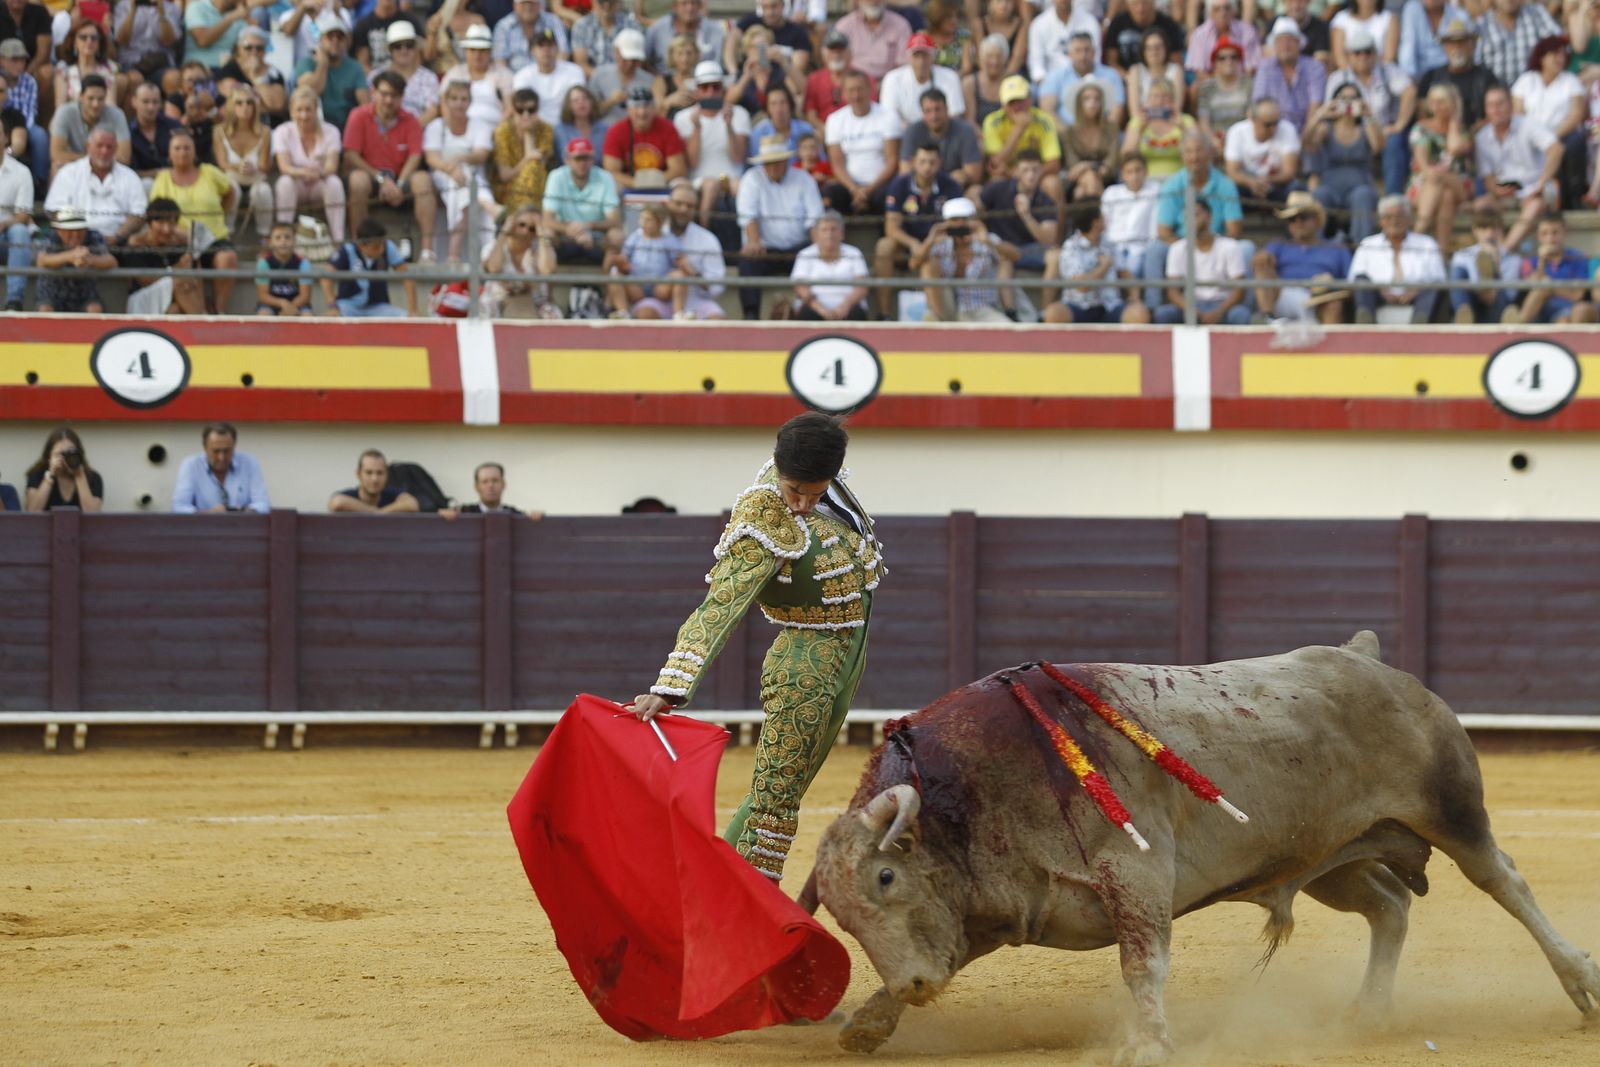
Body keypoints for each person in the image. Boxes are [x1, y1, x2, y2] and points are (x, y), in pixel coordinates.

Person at [628, 411, 884, 886]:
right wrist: (670, 686)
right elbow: (721, 603)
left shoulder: (828, 486)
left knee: (782, 793)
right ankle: (732, 905)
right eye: (795, 491)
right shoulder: (763, 517)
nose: (804, 505)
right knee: (774, 802)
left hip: (846, 656)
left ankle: (718, 893)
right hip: (803, 668)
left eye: (815, 492)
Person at [344, 69, 433, 244]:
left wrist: (398, 185)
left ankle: (427, 249)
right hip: (371, 176)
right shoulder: (358, 115)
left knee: (423, 180)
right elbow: (351, 154)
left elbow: (415, 155)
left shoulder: (410, 120)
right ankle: (358, 244)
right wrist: (380, 179)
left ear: (402, 97)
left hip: (400, 178)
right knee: (357, 180)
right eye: (384, 94)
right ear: (373, 93)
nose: (389, 100)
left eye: (395, 95)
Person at [736, 135, 820, 319]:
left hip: (799, 249)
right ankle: (751, 315)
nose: (773, 166)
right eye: (768, 162)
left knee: (817, 260)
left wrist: (817, 252)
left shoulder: (804, 179)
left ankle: (812, 312)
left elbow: (814, 219)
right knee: (748, 259)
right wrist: (754, 241)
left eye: (777, 162)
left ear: (786, 161)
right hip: (765, 249)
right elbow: (748, 215)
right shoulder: (752, 178)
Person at [1324, 24, 1414, 195]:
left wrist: (1399, 124)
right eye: (1357, 52)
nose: (1363, 57)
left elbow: (1409, 91)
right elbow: (1330, 111)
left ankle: (1392, 198)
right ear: (1349, 56)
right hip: (1352, 131)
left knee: (1394, 142)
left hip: (1383, 130)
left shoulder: (1387, 71)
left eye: (1367, 51)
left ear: (1376, 53)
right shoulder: (1338, 78)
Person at [874, 140, 960, 318]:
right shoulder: (899, 185)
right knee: (884, 246)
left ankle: (938, 317)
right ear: (913, 161)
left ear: (940, 163)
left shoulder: (950, 186)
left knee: (933, 258)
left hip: (938, 243)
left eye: (932, 162)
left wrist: (929, 244)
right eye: (922, 161)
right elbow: (891, 227)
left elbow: (957, 223)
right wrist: (913, 243)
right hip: (906, 245)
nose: (927, 167)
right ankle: (884, 313)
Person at [1474, 84, 1561, 252]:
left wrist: (1541, 184)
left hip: (1535, 189)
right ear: (1486, 109)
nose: (1496, 109)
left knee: (1535, 205)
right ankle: (1487, 249)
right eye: (1491, 105)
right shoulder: (1482, 137)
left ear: (1510, 105)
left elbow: (1556, 149)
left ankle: (1503, 252)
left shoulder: (1528, 124)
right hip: (1506, 193)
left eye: (1500, 104)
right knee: (1481, 205)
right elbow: (1488, 179)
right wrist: (1498, 191)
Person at [119, 194, 239, 314]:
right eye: (160, 223)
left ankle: (201, 316)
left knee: (175, 310)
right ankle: (204, 321)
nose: (166, 229)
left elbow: (196, 276)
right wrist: (175, 269)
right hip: (144, 298)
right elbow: (145, 280)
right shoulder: (136, 243)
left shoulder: (179, 244)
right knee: (180, 282)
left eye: (171, 223)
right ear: (150, 223)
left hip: (172, 299)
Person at [426, 79, 499, 263]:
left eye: (464, 99)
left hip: (471, 177)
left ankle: (454, 254)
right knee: (460, 185)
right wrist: (451, 169)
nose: (459, 103)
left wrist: (459, 160)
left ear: (470, 102)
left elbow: (481, 155)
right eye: (455, 98)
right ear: (447, 101)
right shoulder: (436, 126)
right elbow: (432, 158)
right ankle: (489, 206)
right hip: (442, 176)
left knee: (464, 192)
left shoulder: (479, 125)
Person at [1251, 191, 1351, 322]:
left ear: (1316, 220)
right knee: (1262, 263)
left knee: (1334, 303)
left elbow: (1351, 285)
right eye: (1292, 219)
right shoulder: (1278, 245)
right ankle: (1266, 318)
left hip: (1320, 300)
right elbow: (1258, 263)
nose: (1298, 223)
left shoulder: (1337, 249)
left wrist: (1330, 286)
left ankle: (1333, 341)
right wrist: (1263, 257)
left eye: (1303, 217)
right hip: (1282, 296)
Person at [1511, 35, 1586, 207]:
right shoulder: (1526, 81)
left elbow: (1576, 115)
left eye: (1562, 54)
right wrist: (1538, 138)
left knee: (1576, 142)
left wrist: (1549, 137)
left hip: (1560, 134)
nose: (1560, 58)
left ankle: (1574, 198)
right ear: (1542, 57)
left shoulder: (1570, 81)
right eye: (1555, 54)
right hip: (1530, 137)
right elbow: (1518, 113)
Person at [674, 60, 749, 229]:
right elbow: (692, 162)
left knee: (741, 186)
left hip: (733, 177)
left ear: (722, 89)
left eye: (716, 87)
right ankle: (702, 231)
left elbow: (738, 158)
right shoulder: (683, 118)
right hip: (699, 179)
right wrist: (697, 129)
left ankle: (748, 236)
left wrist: (729, 126)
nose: (710, 92)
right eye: (704, 87)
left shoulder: (739, 114)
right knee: (710, 185)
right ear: (696, 90)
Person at [1303, 80, 1382, 241]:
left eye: (1353, 98)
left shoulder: (1365, 128)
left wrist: (1369, 115)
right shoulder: (1326, 128)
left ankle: (1361, 248)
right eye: (1343, 98)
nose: (1348, 103)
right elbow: (1307, 143)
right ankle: (1317, 245)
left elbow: (1378, 146)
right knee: (1319, 194)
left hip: (1359, 185)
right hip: (1330, 186)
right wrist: (1320, 114)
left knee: (1363, 195)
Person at [913, 194, 1012, 322]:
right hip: (946, 308)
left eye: (964, 219)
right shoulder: (940, 243)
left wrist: (987, 240)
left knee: (1008, 332)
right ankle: (940, 323)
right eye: (955, 220)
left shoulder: (985, 239)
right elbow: (914, 263)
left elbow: (1015, 255)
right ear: (946, 223)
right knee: (928, 265)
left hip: (979, 308)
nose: (960, 224)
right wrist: (929, 240)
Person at [1347, 193, 1444, 323]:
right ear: (1380, 220)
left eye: (1400, 216)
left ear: (1409, 219)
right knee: (1361, 281)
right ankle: (1367, 323)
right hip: (1377, 297)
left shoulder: (1427, 243)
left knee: (1433, 286)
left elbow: (1440, 279)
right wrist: (1380, 290)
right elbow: (1354, 279)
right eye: (1388, 217)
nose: (1394, 221)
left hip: (1418, 297)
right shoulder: (1367, 244)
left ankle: (1419, 323)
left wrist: (1416, 290)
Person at [538, 135, 622, 281]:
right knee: (546, 234)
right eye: (578, 159)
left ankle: (609, 289)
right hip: (563, 236)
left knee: (616, 236)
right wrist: (570, 230)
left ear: (593, 159)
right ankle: (547, 293)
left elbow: (615, 220)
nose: (582, 163)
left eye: (586, 158)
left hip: (596, 238)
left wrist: (588, 226)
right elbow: (547, 220)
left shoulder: (605, 177)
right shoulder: (557, 176)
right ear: (567, 160)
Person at [1155, 198, 1250, 324]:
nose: (1190, 220)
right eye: (1186, 216)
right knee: (1163, 314)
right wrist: (1190, 309)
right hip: (1191, 304)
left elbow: (1239, 290)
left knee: (1240, 314)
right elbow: (1173, 291)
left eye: (1195, 215)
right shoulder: (1177, 248)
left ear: (1209, 217)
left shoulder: (1229, 246)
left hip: (1222, 304)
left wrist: (1218, 312)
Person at [644, 179, 726, 320]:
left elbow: (717, 285)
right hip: (659, 299)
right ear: (668, 204)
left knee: (717, 319)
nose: (683, 210)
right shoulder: (647, 233)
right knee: (645, 313)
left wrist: (694, 275)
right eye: (678, 204)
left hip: (696, 301)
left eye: (689, 206)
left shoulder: (707, 239)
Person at [45, 127, 146, 241]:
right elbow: (55, 211)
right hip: (76, 239)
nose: (104, 151)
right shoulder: (68, 173)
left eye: (109, 147)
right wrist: (78, 235)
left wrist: (117, 237)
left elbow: (139, 215)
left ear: (116, 148)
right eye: (99, 146)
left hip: (119, 240)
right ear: (88, 146)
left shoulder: (130, 177)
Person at [822, 67, 901, 213]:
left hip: (880, 184)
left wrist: (868, 191)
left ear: (870, 90)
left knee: (891, 193)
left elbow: (892, 161)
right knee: (831, 192)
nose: (856, 95)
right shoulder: (834, 120)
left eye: (860, 89)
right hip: (849, 186)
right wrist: (855, 190)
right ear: (844, 94)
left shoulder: (888, 116)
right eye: (851, 90)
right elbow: (837, 164)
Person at [273, 85, 345, 242]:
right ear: (292, 111)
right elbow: (284, 167)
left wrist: (318, 173)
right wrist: (305, 173)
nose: (304, 115)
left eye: (308, 109)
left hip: (319, 184)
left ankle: (338, 239)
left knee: (334, 183)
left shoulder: (331, 131)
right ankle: (282, 235)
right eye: (299, 110)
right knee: (284, 182)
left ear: (316, 110)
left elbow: (332, 167)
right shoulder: (282, 131)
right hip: (297, 184)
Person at [1406, 81, 1471, 252]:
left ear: (1452, 103)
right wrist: (1430, 172)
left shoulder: (1462, 131)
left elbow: (1455, 147)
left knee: (1441, 181)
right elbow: (1421, 159)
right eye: (1433, 101)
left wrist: (1453, 122)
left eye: (1442, 101)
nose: (1437, 106)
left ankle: (1417, 233)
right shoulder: (1420, 127)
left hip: (1458, 184)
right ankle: (1441, 254)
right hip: (1425, 183)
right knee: (1445, 195)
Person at [1043, 205, 1130, 323]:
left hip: (1111, 306)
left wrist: (1135, 298)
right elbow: (1081, 286)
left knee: (1138, 313)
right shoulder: (1071, 247)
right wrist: (1103, 267)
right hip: (1079, 307)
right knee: (1054, 314)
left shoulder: (1110, 243)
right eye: (1102, 217)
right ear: (1096, 223)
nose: (1105, 219)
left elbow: (1126, 273)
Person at [149, 126, 234, 240]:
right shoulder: (163, 179)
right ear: (169, 154)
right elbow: (156, 215)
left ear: (195, 152)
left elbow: (230, 192)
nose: (183, 153)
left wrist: (220, 215)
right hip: (179, 241)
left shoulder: (210, 172)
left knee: (226, 258)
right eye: (177, 148)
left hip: (215, 238)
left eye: (187, 148)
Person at [1510, 213, 1597, 324]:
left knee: (1564, 320)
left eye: (1555, 233)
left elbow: (1577, 295)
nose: (1550, 239)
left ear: (1565, 234)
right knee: (1541, 288)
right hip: (1538, 312)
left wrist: (1551, 288)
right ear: (1538, 237)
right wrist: (1542, 261)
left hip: (1568, 310)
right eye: (1544, 234)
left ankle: (1516, 322)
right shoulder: (1529, 261)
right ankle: (1517, 325)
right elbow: (1534, 286)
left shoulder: (1578, 258)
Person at [1416, 17, 1498, 130]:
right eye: (1452, 43)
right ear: (1445, 47)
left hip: (1478, 136)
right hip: (1439, 135)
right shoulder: (1432, 77)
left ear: (1472, 46)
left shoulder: (1486, 77)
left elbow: (1497, 112)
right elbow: (1421, 115)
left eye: (1462, 42)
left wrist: (1473, 131)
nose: (1457, 47)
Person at [323, 217, 414, 317]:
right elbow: (326, 277)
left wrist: (413, 310)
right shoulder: (347, 250)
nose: (381, 250)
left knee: (405, 318)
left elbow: (407, 277)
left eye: (382, 244)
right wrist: (332, 306)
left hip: (379, 307)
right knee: (333, 317)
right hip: (348, 306)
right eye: (376, 247)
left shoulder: (388, 247)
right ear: (361, 245)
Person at [171, 422, 270, 514]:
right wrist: (209, 514)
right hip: (203, 529)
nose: (221, 457)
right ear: (205, 448)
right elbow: (179, 507)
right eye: (216, 451)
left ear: (234, 446)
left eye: (226, 451)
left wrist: (243, 512)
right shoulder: (191, 465)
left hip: (242, 527)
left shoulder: (249, 463)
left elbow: (263, 505)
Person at [602, 83, 686, 191]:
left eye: (646, 106)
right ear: (628, 109)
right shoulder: (616, 131)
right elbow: (611, 172)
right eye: (636, 106)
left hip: (662, 181)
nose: (642, 112)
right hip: (629, 183)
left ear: (654, 108)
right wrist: (635, 183)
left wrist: (656, 182)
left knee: (682, 185)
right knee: (611, 186)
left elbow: (678, 169)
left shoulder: (667, 128)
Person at [605, 200, 681, 317]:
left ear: (660, 223)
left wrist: (682, 264)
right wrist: (622, 263)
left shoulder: (669, 240)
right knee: (614, 273)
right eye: (641, 219)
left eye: (648, 220)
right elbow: (624, 259)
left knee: (679, 275)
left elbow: (678, 262)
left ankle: (679, 313)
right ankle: (623, 313)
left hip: (661, 288)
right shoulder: (635, 237)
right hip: (636, 287)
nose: (642, 223)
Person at [788, 209, 867, 320]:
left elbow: (861, 287)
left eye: (833, 229)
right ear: (816, 234)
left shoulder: (854, 253)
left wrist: (844, 307)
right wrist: (821, 309)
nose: (829, 234)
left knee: (857, 314)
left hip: (848, 307)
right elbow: (800, 287)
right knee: (806, 314)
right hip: (814, 307)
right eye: (824, 230)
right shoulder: (805, 254)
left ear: (842, 234)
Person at [1039, 30, 1127, 129]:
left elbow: (1116, 111)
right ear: (1069, 54)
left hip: (1103, 135)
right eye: (1078, 50)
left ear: (1094, 52)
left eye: (1087, 50)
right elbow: (1047, 110)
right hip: (1065, 136)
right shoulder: (1055, 76)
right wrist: (1069, 137)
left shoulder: (1111, 75)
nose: (1083, 56)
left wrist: (1103, 137)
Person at [294, 12, 367, 130]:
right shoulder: (306, 64)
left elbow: (365, 105)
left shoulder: (355, 67)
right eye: (330, 36)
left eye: (339, 37)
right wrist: (323, 64)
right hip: (317, 127)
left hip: (348, 127)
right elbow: (312, 91)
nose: (335, 41)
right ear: (320, 40)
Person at [898, 85, 980, 189]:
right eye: (928, 111)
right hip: (922, 189)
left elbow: (974, 175)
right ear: (922, 113)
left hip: (956, 189)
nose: (934, 116)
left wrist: (960, 178)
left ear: (947, 109)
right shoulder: (912, 131)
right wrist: (942, 180)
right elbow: (905, 171)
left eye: (938, 109)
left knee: (976, 191)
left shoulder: (965, 130)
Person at [1252, 16, 1325, 133]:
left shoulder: (1314, 66)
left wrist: (1303, 138)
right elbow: (1259, 105)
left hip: (1307, 129)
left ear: (1299, 44)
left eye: (1290, 40)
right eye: (1281, 41)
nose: (1285, 45)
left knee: (1321, 129)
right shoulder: (1265, 67)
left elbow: (1315, 106)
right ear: (1274, 45)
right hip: (1274, 129)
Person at [48, 72, 129, 176]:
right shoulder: (64, 113)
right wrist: (95, 160)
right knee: (57, 167)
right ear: (81, 97)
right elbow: (56, 154)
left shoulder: (117, 115)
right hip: (74, 167)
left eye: (100, 99)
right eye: (91, 98)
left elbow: (124, 157)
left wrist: (97, 162)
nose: (95, 104)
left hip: (107, 169)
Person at [1448, 206, 1519, 323]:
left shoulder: (1512, 258)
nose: (1489, 233)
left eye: (1494, 228)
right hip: (1473, 304)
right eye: (1484, 228)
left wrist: (1496, 266)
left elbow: (1511, 293)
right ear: (1475, 230)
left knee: (1496, 289)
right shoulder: (1463, 255)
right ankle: (1464, 314)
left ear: (1501, 230)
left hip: (1497, 306)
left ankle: (1488, 277)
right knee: (1458, 272)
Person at [1223, 97, 1301, 203]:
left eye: (1276, 123)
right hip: (1246, 184)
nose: (1273, 128)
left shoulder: (1287, 129)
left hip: (1276, 185)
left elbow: (1289, 172)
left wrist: (1265, 181)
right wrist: (1251, 182)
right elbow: (1232, 172)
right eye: (1268, 124)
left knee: (1296, 189)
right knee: (1227, 188)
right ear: (1253, 120)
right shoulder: (1237, 132)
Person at [879, 32, 964, 127]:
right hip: (905, 134)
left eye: (925, 55)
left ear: (933, 57)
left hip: (942, 132)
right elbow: (889, 117)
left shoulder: (950, 77)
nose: (921, 61)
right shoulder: (892, 79)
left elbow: (955, 115)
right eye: (916, 56)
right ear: (908, 58)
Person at [491, 85, 554, 211]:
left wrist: (528, 133)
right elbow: (505, 176)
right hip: (507, 188)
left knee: (533, 168)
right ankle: (529, 215)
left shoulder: (545, 129)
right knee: (531, 166)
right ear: (513, 111)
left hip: (538, 186)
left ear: (538, 110)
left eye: (531, 110)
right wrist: (527, 158)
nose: (526, 115)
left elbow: (538, 166)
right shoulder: (503, 131)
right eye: (520, 110)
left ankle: (531, 215)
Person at [1475, 0, 1561, 90]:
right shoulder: (1483, 25)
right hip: (1497, 93)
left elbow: (1558, 44)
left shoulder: (1536, 14)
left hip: (1534, 91)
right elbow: (1476, 62)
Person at [369, 20, 440, 129]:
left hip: (418, 134)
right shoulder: (375, 76)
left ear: (416, 48)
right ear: (390, 50)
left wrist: (408, 131)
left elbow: (432, 110)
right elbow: (370, 109)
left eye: (409, 45)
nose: (404, 50)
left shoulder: (428, 77)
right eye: (397, 46)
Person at [443, 22, 513, 130]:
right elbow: (444, 103)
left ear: (490, 52)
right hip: (459, 130)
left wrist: (496, 132)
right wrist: (453, 129)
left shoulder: (503, 74)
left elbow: (510, 108)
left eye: (482, 50)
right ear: (465, 51)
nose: (477, 55)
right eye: (472, 50)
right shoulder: (454, 73)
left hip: (495, 130)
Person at [215, 26, 288, 125]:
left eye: (259, 48)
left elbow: (277, 104)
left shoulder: (274, 72)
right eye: (248, 47)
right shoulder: (228, 70)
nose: (254, 52)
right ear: (239, 48)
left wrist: (255, 76)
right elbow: (234, 101)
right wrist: (264, 104)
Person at [480, 204, 543, 317]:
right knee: (488, 309)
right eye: (522, 224)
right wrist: (504, 233)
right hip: (496, 300)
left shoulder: (540, 249)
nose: (525, 231)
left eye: (533, 228)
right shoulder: (493, 247)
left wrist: (542, 235)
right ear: (512, 223)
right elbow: (493, 268)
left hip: (529, 303)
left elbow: (548, 270)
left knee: (551, 314)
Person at [513, 27, 583, 126]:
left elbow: (578, 105)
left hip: (568, 125)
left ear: (557, 48)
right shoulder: (522, 75)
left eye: (550, 45)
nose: (546, 50)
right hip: (537, 127)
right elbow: (523, 107)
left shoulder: (574, 70)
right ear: (532, 50)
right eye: (541, 46)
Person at [25, 426, 103, 512]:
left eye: (70, 453)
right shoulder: (37, 475)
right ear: (49, 456)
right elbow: (32, 512)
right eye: (60, 454)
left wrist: (79, 475)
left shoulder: (93, 478)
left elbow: (93, 515)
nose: (66, 458)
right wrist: (50, 475)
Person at [1196, 36, 1254, 149]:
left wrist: (1235, 144)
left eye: (1234, 57)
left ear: (1239, 61)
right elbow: (1204, 123)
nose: (1228, 61)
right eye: (1222, 58)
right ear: (1214, 63)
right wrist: (1215, 142)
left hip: (1243, 142)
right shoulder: (1206, 88)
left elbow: (1250, 120)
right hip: (1215, 144)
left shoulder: (1249, 84)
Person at [834, 0, 911, 82]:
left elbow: (902, 66)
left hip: (887, 83)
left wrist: (888, 84)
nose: (873, 2)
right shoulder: (844, 25)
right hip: (853, 83)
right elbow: (834, 58)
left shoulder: (901, 25)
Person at [587, 25, 651, 122]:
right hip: (605, 133)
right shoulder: (599, 76)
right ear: (616, 52)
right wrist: (610, 101)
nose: (630, 64)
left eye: (634, 60)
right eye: (626, 59)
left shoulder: (650, 81)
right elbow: (589, 115)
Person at [328, 449, 420, 513]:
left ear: (387, 475)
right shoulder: (351, 495)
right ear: (358, 474)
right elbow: (337, 503)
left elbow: (412, 504)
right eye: (369, 473)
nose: (374, 479)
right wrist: (373, 511)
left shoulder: (391, 495)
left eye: (379, 473)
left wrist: (381, 512)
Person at [643, 0, 724, 73]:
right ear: (674, 6)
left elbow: (718, 63)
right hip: (663, 82)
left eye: (693, 3)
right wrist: (660, 80)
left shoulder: (715, 30)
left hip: (704, 85)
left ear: (700, 6)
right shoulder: (657, 29)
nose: (689, 8)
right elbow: (644, 61)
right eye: (684, 3)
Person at [55, 17, 118, 110]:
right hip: (71, 120)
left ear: (99, 43)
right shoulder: (63, 70)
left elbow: (111, 105)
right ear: (74, 42)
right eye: (83, 37)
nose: (89, 41)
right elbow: (60, 107)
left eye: (94, 38)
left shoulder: (109, 68)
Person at [1186, 0, 1261, 76]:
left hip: (1241, 83)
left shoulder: (1247, 32)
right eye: (1217, 9)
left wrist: (1234, 85)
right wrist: (1218, 85)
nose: (1222, 13)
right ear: (1209, 12)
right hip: (1210, 84)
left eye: (1227, 8)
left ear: (1234, 11)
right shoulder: (1199, 34)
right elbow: (1199, 70)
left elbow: (1251, 68)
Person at [439, 461, 540, 517]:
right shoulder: (463, 513)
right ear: (476, 487)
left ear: (503, 484)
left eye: (495, 480)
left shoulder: (516, 515)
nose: (490, 486)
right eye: (485, 482)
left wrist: (535, 519)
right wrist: (441, 516)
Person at [1399, 0, 1469, 80]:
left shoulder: (1460, 15)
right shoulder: (1412, 9)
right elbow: (1408, 50)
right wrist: (1410, 81)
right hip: (1420, 79)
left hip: (1451, 76)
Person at [494, 0, 568, 74]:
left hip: (550, 76)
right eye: (523, 3)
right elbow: (500, 62)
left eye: (532, 3)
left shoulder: (553, 21)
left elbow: (563, 52)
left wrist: (553, 76)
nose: (528, 7)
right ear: (514, 5)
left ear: (540, 5)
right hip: (513, 80)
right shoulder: (504, 26)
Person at [255, 220, 313, 315]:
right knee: (263, 314)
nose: (283, 241)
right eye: (278, 238)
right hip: (271, 304)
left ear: (294, 241)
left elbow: (305, 296)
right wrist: (283, 303)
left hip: (298, 305)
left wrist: (290, 308)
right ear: (270, 242)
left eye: (287, 237)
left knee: (307, 316)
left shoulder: (303, 262)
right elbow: (263, 296)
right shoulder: (263, 263)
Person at [0, 132, 30, 310]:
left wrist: (3, 224)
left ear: (5, 138)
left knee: (20, 231)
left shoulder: (21, 172)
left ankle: (14, 301)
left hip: (6, 237)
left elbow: (23, 216)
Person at [572, 0, 643, 74]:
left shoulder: (632, 26)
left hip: (626, 78)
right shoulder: (581, 26)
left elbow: (637, 62)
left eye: (610, 1)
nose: (606, 6)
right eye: (601, 1)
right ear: (593, 2)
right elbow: (582, 64)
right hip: (594, 80)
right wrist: (604, 80)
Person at [1330, 0, 1399, 69]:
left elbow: (1389, 56)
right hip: (1349, 74)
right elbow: (1339, 57)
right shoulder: (1341, 19)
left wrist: (1375, 76)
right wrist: (1354, 76)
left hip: (1382, 73)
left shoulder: (1389, 18)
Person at [554, 83, 607, 158]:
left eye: (585, 98)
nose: (581, 102)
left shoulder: (604, 128)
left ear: (591, 102)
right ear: (568, 106)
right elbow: (564, 157)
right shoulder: (561, 129)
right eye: (576, 100)